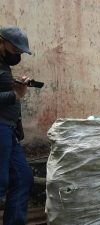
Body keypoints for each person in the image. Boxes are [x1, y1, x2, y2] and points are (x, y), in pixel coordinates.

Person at [0, 25, 34, 225]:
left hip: (9, 131)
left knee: (22, 178)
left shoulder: (4, 66)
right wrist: (14, 94)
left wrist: (16, 85)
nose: (18, 56)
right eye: (15, 50)